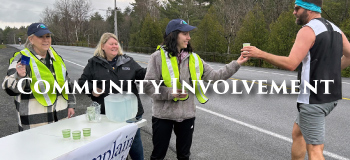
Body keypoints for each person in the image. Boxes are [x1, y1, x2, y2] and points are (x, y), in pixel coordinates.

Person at [241, 0, 350, 159]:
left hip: (314, 100)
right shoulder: (335, 29)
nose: (294, 12)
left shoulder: (308, 30)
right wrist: (330, 71)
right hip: (331, 96)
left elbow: (291, 63)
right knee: (297, 133)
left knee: (315, 150)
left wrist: (260, 54)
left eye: (296, 8)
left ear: (309, 9)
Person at [144, 19, 249, 160]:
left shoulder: (194, 58)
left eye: (189, 34)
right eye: (185, 34)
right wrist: (170, 93)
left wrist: (237, 63)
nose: (189, 37)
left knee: (184, 156)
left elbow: (214, 76)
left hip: (187, 115)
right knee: (158, 156)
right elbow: (148, 86)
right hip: (163, 116)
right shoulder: (157, 57)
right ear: (173, 35)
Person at [78, 32, 146, 160]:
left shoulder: (128, 61)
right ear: (103, 46)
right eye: (111, 44)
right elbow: (82, 82)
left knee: (134, 143)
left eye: (116, 43)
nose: (115, 46)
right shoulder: (94, 63)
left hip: (131, 112)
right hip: (108, 114)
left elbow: (142, 74)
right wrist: (92, 89)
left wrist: (154, 68)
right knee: (114, 145)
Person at [2, 23, 75, 131]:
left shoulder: (56, 58)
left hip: (61, 120)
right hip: (35, 124)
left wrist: (71, 104)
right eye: (41, 36)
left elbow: (67, 83)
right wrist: (19, 76)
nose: (45, 40)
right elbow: (8, 88)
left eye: (48, 36)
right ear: (31, 39)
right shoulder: (23, 58)